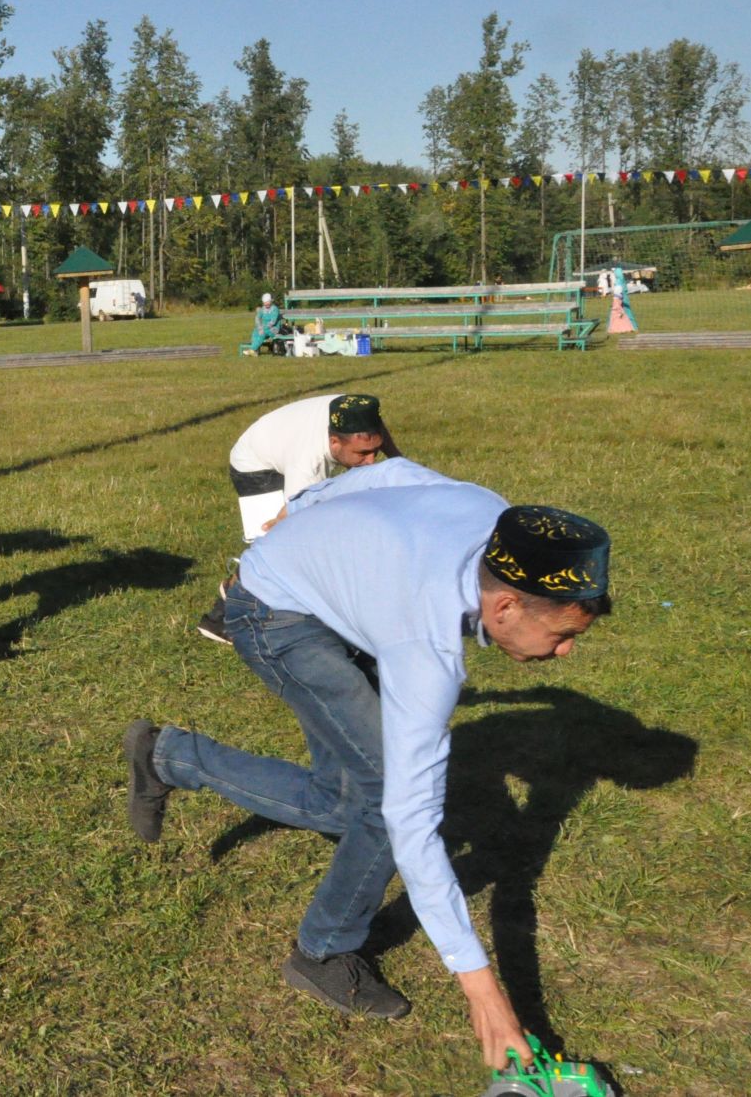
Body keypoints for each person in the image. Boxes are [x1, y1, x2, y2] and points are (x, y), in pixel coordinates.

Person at [124, 459, 612, 1072]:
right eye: (563, 636)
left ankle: (167, 757)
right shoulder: (424, 650)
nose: (564, 653)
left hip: (338, 601)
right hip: (276, 616)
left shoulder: (494, 519)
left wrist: (303, 506)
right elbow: (410, 820)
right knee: (383, 805)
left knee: (344, 799)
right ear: (507, 606)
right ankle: (323, 953)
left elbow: (392, 472)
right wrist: (484, 992)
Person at [199, 393, 398, 644]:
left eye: (375, 451)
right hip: (255, 463)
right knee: (273, 545)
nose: (371, 462)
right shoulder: (307, 465)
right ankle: (221, 616)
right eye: (362, 454)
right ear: (335, 442)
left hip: (283, 442)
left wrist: (397, 461)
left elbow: (377, 430)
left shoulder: (355, 414)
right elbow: (297, 523)